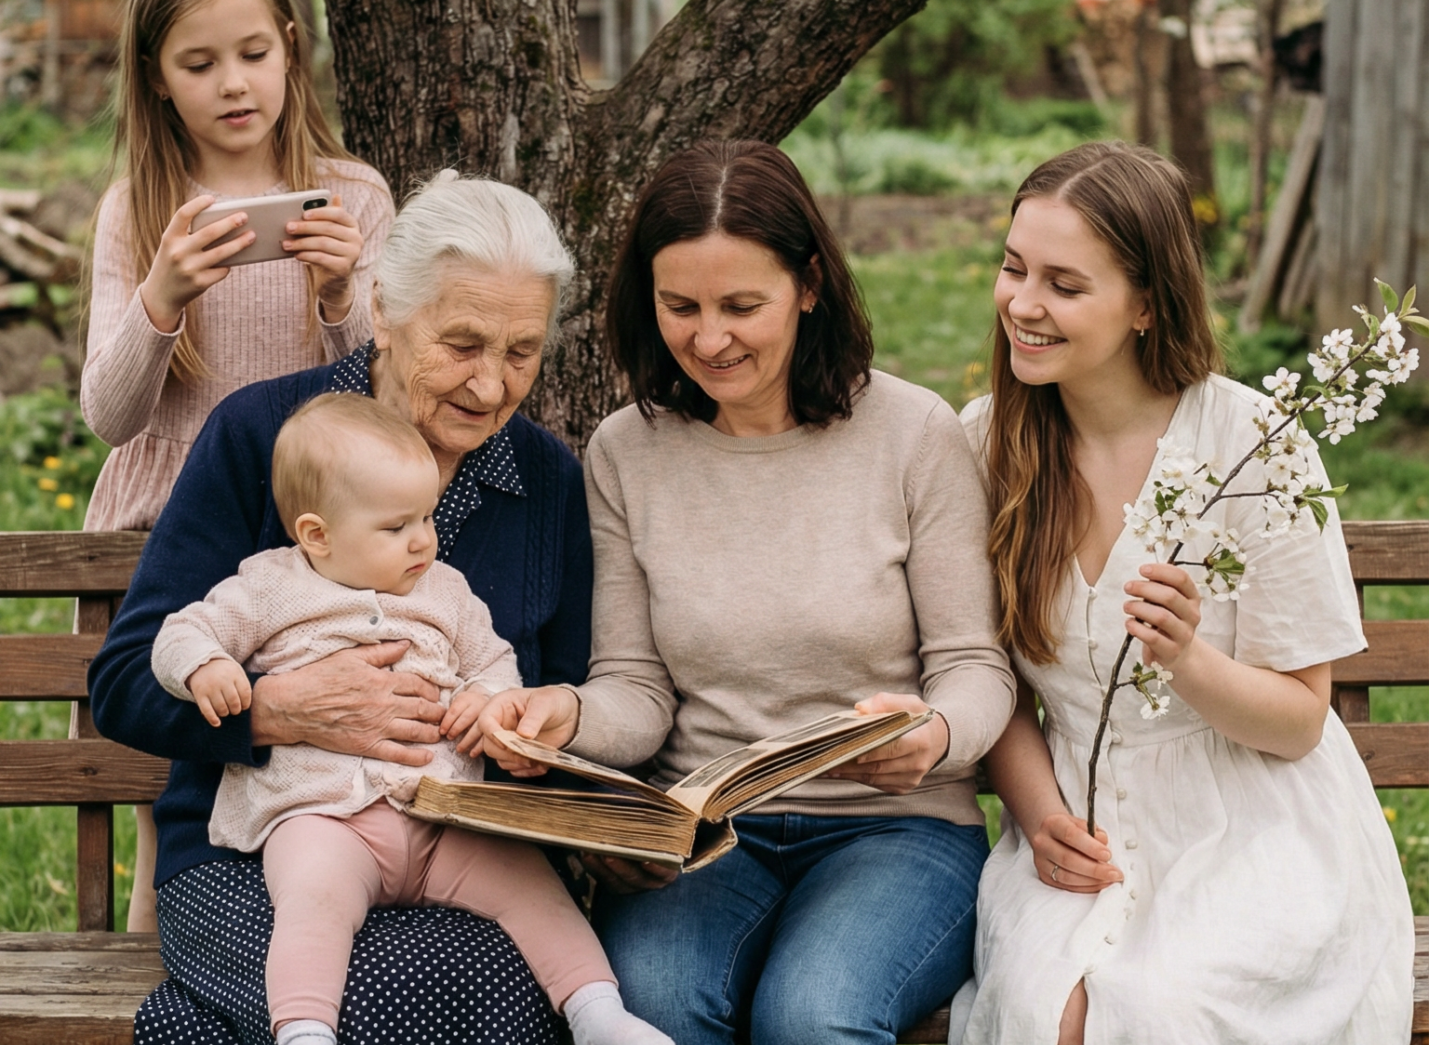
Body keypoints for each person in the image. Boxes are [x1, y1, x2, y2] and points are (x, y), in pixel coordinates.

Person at [475, 139, 1016, 1045]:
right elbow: (637, 691)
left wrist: (933, 734)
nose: (709, 338)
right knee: (650, 1000)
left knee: (811, 1015)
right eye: (679, 306)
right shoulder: (625, 452)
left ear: (808, 285)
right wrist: (562, 715)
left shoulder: (913, 432)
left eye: (741, 305)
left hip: (898, 830)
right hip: (709, 831)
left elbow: (974, 666)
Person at [89, 172, 591, 1045]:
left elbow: (566, 689)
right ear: (385, 311)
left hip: (459, 853)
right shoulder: (265, 434)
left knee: (507, 994)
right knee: (378, 998)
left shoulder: (543, 480)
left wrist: (524, 722)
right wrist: (279, 709)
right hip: (251, 854)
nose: (489, 384)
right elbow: (127, 680)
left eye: (522, 351)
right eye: (464, 342)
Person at [950, 141, 1414, 1044]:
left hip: (1249, 827)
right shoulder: (986, 445)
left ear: (1146, 305)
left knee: (1160, 1008)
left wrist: (1187, 659)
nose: (1023, 305)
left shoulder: (1252, 444)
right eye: (1013, 269)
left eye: (1064, 284)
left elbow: (1298, 720)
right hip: (1075, 824)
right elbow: (987, 678)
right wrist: (1038, 812)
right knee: (1054, 1010)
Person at [149, 393, 670, 1045]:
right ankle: (305, 1029)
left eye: (426, 516)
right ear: (317, 534)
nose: (422, 538)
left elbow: (492, 661)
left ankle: (597, 1011)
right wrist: (207, 669)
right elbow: (179, 631)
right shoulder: (268, 588)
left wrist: (490, 702)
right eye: (397, 526)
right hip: (323, 816)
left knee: (527, 880)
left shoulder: (444, 591)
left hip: (440, 812)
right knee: (312, 902)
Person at [83, 0, 393, 933]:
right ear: (155, 79)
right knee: (165, 821)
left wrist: (342, 295)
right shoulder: (139, 210)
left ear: (291, 50)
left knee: (309, 801)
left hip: (309, 544)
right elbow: (109, 414)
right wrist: (162, 295)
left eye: (254, 53)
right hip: (160, 545)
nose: (232, 84)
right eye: (200, 63)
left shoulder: (355, 198)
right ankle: (155, 985)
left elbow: (384, 412)